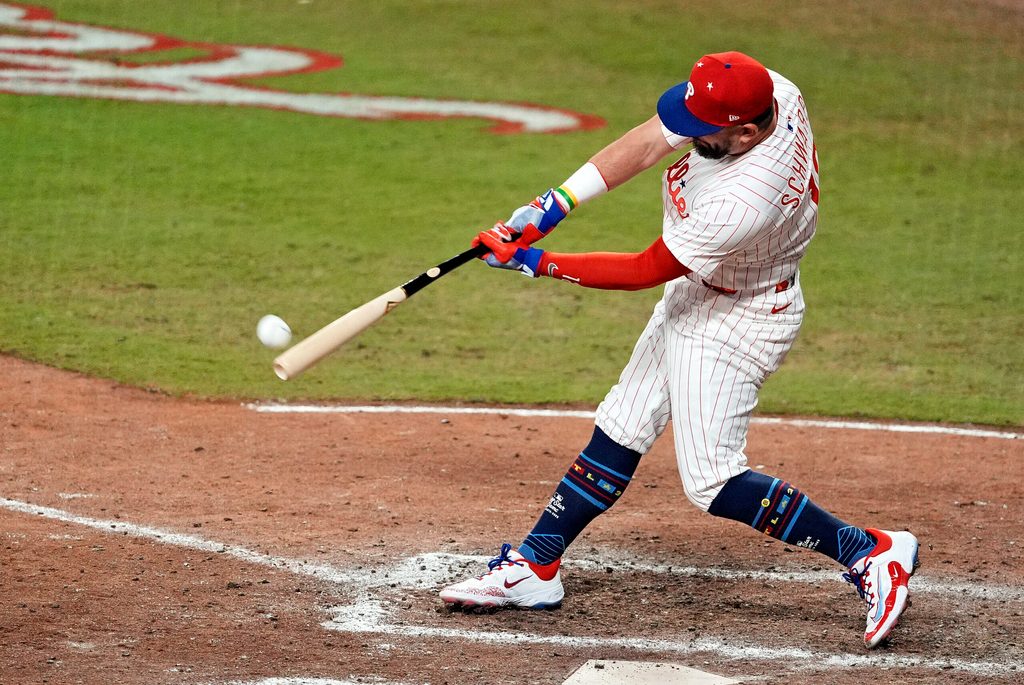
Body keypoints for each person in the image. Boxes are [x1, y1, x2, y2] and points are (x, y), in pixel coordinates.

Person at [438, 52, 919, 649]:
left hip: (738, 317)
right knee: (623, 423)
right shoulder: (771, 93)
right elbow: (650, 139)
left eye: (703, 129)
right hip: (699, 289)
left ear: (745, 132)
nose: (687, 134)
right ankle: (536, 567)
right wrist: (552, 206)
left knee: (713, 480)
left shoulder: (745, 198)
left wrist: (536, 261)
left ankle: (868, 551)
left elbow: (644, 268)